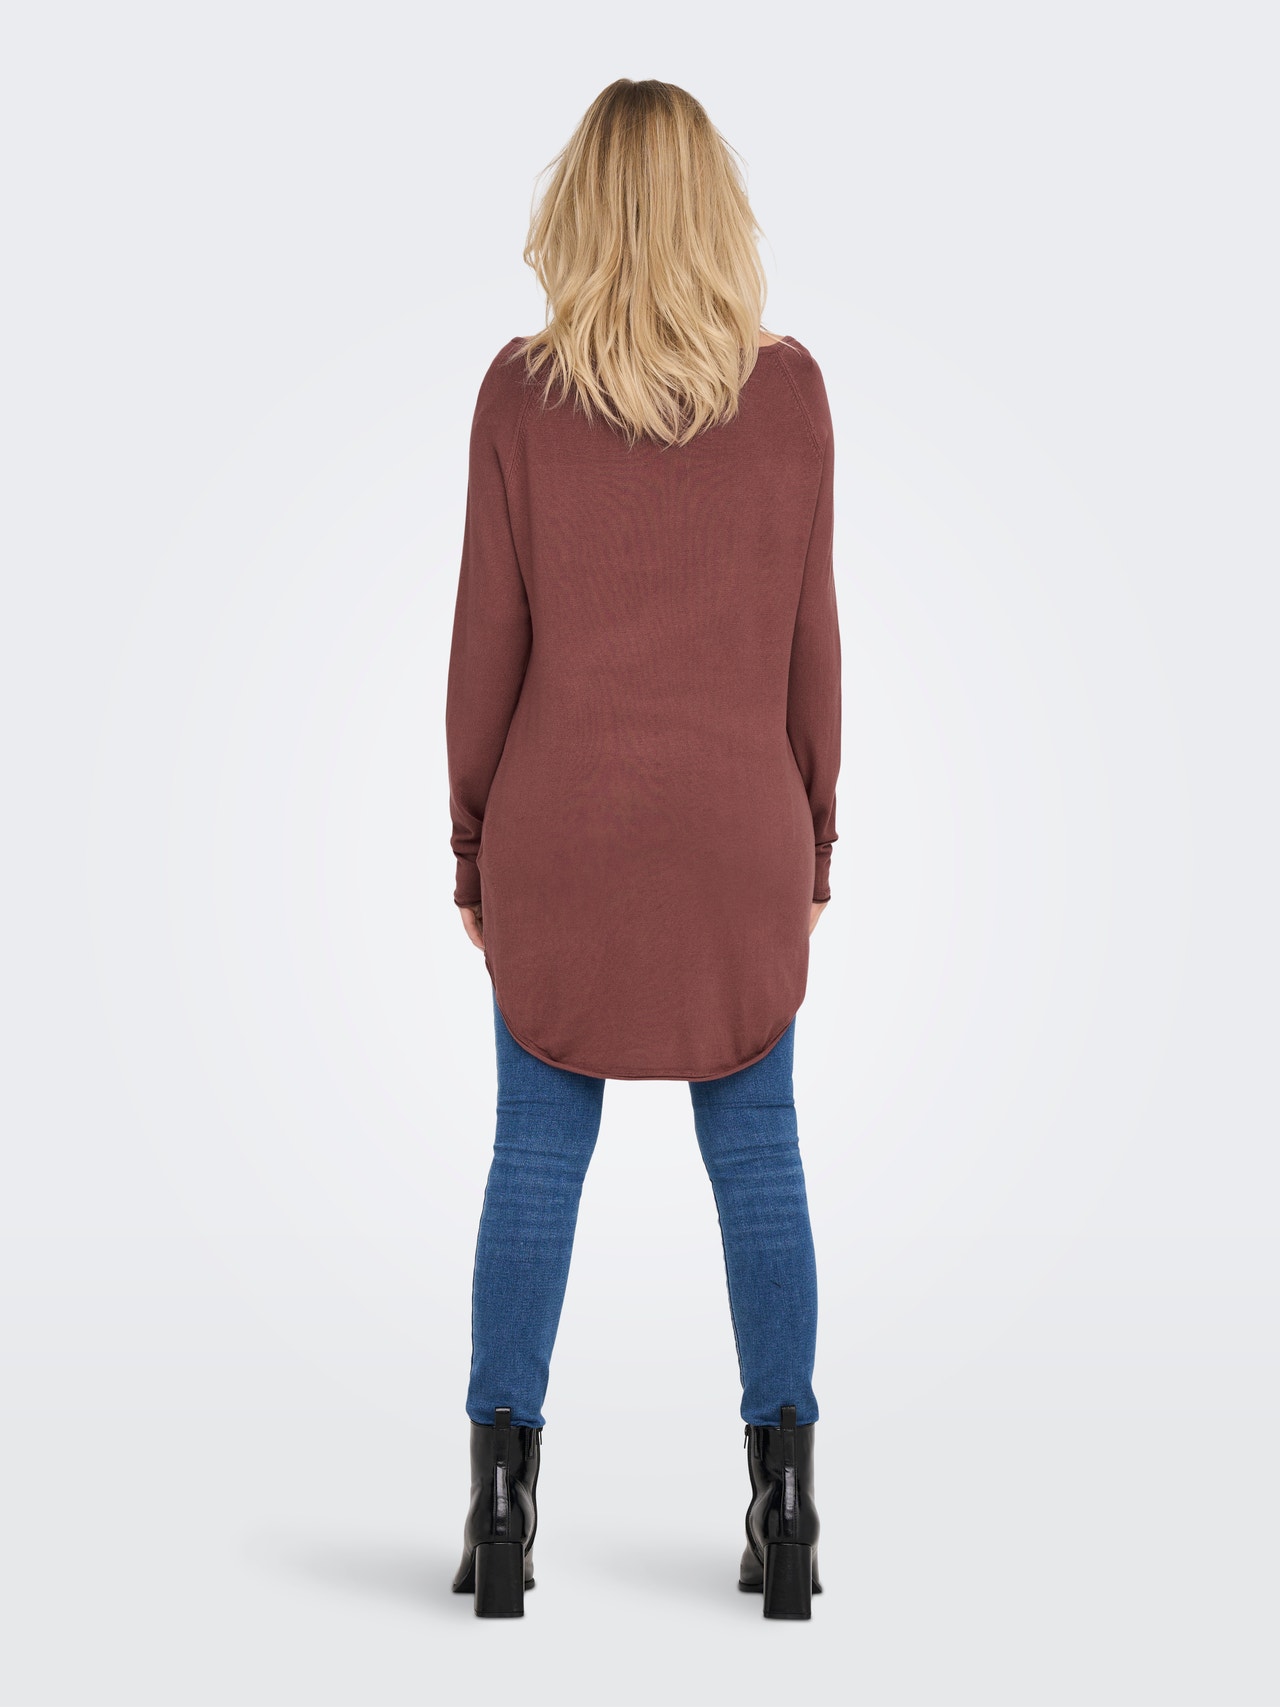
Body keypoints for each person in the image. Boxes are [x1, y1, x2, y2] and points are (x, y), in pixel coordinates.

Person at [444, 79, 840, 1621]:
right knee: (761, 1150)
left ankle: (500, 1504)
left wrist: (474, 846)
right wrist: (815, 833)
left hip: (567, 831)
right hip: (739, 833)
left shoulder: (517, 396)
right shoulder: (791, 397)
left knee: (536, 1151)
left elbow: (486, 650)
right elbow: (812, 648)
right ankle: (788, 1503)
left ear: (579, 215)